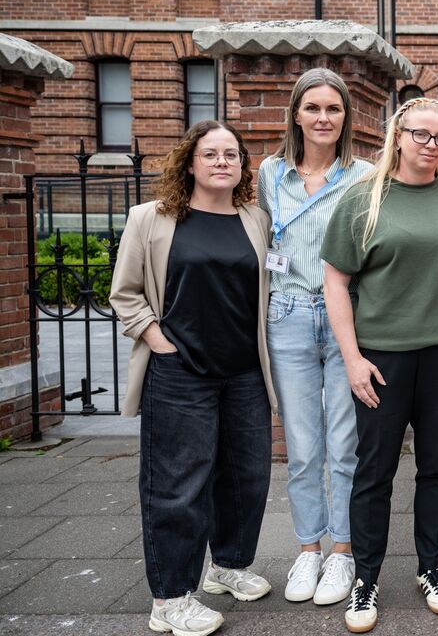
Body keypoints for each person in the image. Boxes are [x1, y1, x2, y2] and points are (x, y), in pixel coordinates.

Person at [110, 121, 275, 636]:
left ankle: (227, 565)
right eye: (210, 154)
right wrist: (157, 339)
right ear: (189, 163)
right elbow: (125, 292)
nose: (222, 162)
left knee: (247, 477)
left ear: (242, 165)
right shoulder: (151, 219)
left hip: (244, 372)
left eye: (231, 154)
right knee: (178, 486)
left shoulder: (256, 219)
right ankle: (170, 598)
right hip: (180, 373)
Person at [321, 97, 438, 633]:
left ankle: (430, 568)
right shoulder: (363, 198)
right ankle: (365, 579)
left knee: (437, 466)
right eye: (420, 134)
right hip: (382, 358)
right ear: (399, 136)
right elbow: (335, 282)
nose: (431, 145)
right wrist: (352, 360)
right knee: (375, 470)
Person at [257, 68, 372, 607]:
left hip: (347, 315)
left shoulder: (364, 175)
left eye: (333, 109)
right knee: (302, 447)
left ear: (346, 117)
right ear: (296, 115)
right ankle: (308, 548)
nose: (323, 118)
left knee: (345, 443)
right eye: (313, 108)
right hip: (287, 314)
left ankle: (342, 551)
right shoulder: (269, 173)